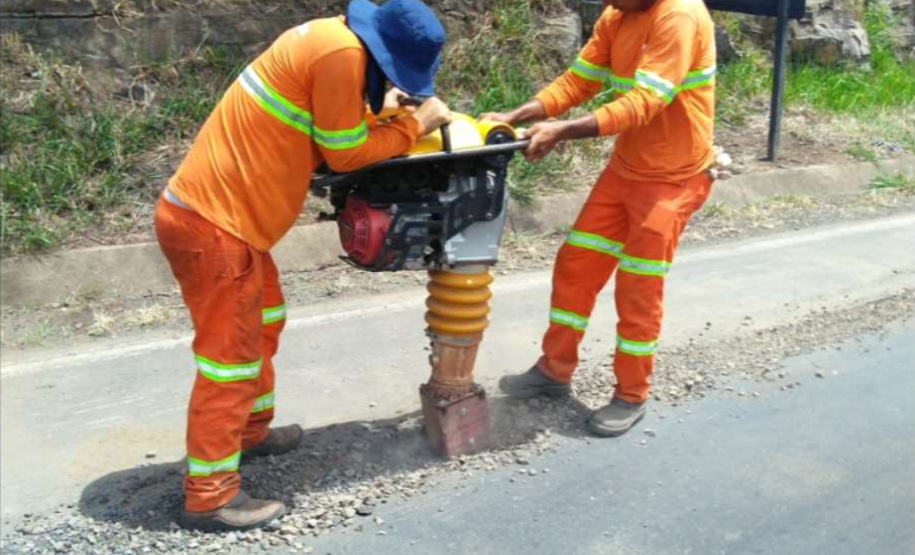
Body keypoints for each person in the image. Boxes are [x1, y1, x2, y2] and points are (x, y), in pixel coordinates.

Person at [155, 0, 452, 531]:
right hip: (216, 227)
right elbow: (343, 152)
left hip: (226, 222)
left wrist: (388, 114)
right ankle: (210, 496)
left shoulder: (327, 40)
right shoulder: (339, 54)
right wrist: (416, 124)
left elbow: (332, 126)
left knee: (264, 323)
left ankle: (249, 433)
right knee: (232, 359)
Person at [484, 0, 716, 438]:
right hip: (625, 172)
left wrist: (562, 131)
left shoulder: (678, 15)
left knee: (638, 288)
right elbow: (579, 81)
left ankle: (632, 394)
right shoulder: (618, 16)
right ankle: (554, 370)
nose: (609, 2)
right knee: (576, 266)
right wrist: (517, 116)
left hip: (673, 180)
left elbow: (645, 102)